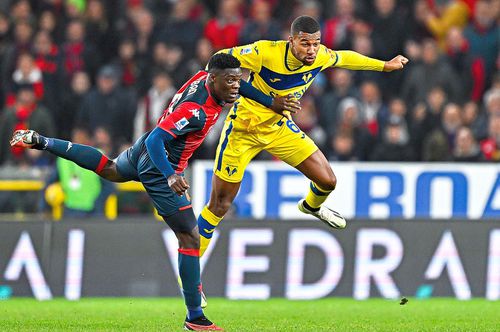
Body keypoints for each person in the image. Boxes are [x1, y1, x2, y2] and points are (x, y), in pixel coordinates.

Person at [10, 53, 299, 331]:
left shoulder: (206, 77)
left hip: (146, 147)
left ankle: (42, 141)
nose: (237, 87)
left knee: (110, 169)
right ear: (213, 80)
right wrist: (171, 174)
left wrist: (270, 101)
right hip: (159, 162)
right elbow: (160, 139)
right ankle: (195, 317)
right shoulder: (195, 111)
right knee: (190, 236)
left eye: (238, 81)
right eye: (231, 82)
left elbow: (235, 84)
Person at [196, 15, 408, 257]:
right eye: (305, 43)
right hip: (243, 129)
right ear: (291, 41)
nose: (312, 50)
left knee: (328, 181)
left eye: (316, 43)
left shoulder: (320, 56)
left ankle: (310, 206)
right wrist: (268, 101)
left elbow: (346, 57)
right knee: (220, 205)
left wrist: (384, 65)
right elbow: (216, 63)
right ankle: (190, 278)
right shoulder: (266, 52)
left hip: (279, 128)